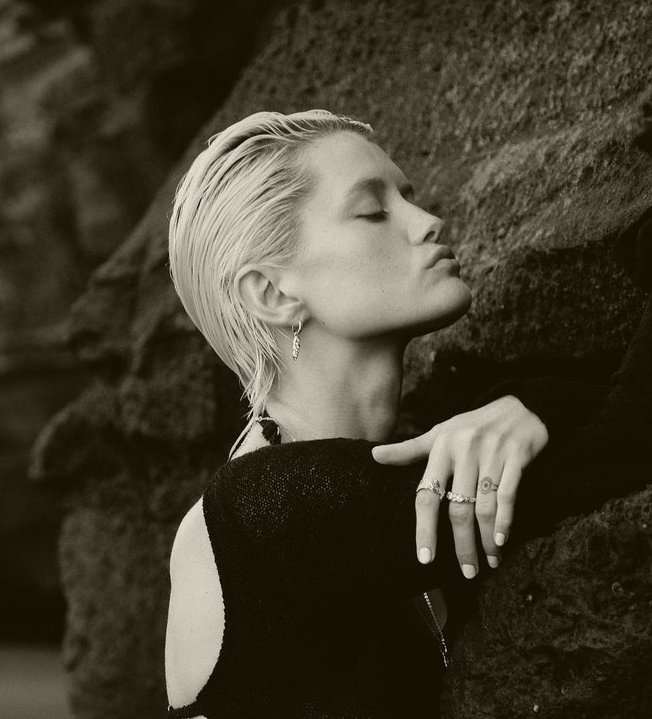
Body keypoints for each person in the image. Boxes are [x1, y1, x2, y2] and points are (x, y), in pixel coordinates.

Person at [164, 109, 652, 718]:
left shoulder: (353, 488)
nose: (428, 222)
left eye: (409, 198)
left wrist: (526, 404)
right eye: (373, 212)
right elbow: (626, 440)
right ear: (273, 293)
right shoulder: (274, 508)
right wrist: (534, 402)